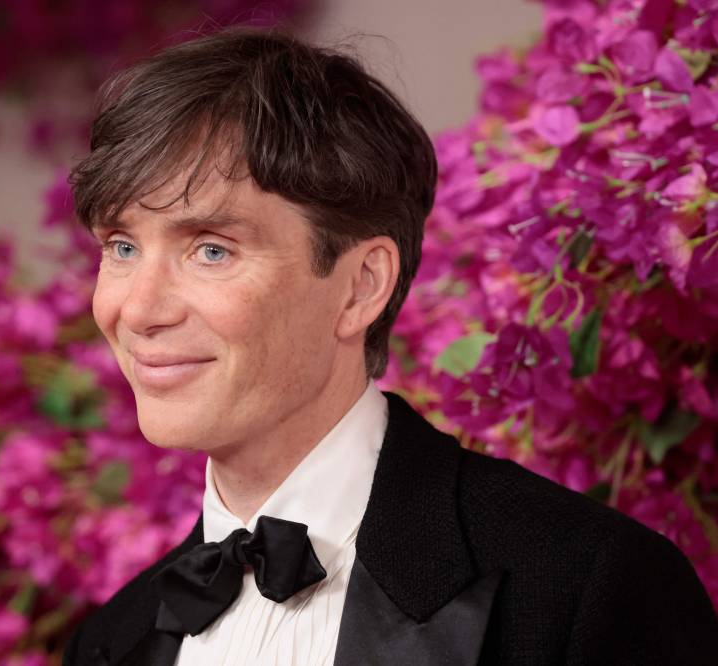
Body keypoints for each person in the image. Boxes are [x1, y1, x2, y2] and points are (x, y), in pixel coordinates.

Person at [59, 26, 718, 666]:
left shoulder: (589, 589)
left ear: (360, 288)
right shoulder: (109, 640)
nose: (137, 309)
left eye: (210, 250)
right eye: (121, 247)